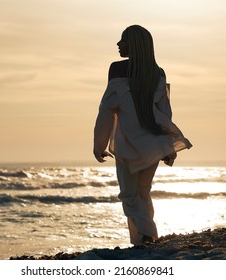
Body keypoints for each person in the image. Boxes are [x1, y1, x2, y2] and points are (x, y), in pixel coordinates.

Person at [93, 25, 192, 245]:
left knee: (129, 195)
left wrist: (99, 143)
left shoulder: (117, 69)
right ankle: (143, 239)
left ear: (135, 45)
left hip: (128, 141)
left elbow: (107, 108)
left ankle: (147, 235)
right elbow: (165, 111)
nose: (118, 44)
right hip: (154, 142)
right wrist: (168, 146)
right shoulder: (157, 72)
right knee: (143, 191)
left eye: (123, 40)